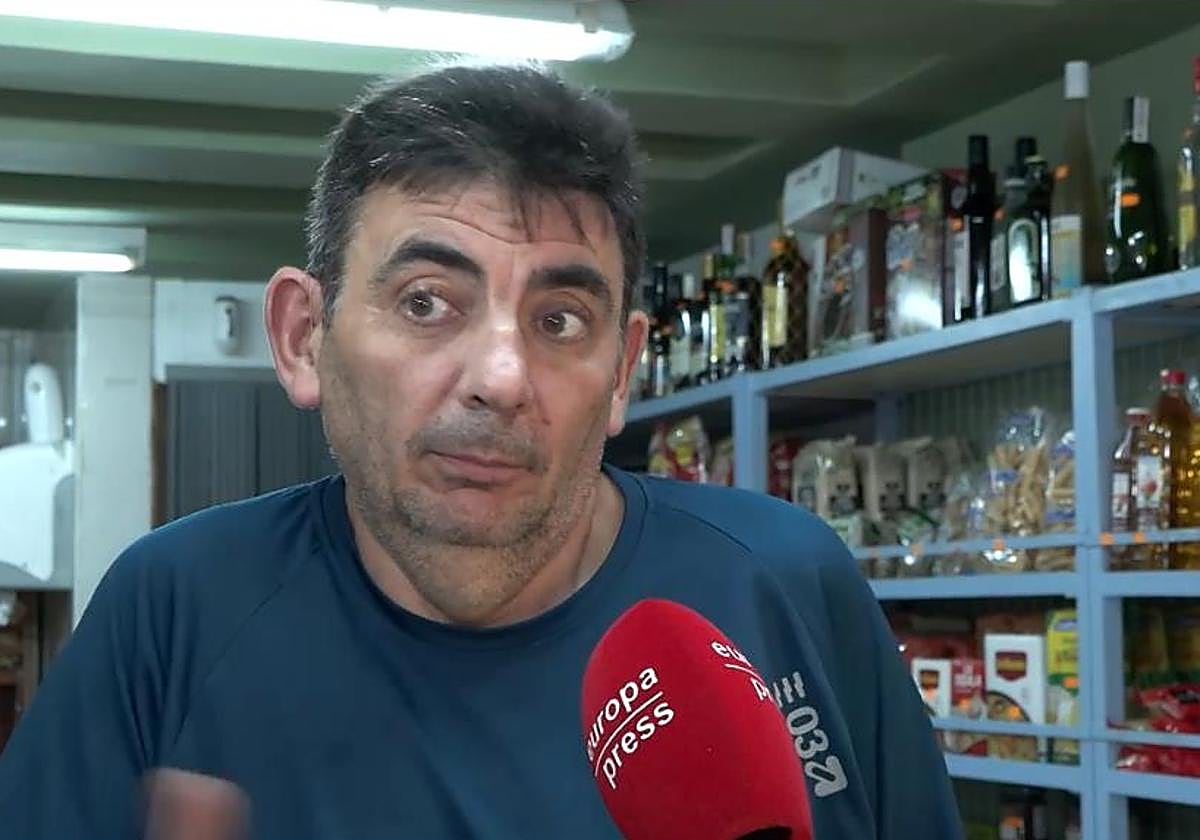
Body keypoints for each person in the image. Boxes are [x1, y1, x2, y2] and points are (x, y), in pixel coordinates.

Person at [0, 65, 962, 839]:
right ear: (303, 337)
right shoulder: (175, 607)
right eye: (426, 302)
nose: (502, 378)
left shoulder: (786, 584)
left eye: (560, 318)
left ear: (622, 371)